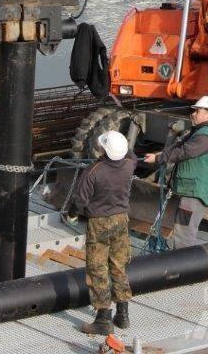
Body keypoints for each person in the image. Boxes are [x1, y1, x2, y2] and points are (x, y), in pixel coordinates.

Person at [73, 130, 136, 335]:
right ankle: (123, 315)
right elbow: (132, 155)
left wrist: (73, 213)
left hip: (98, 222)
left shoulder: (93, 171)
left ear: (104, 149)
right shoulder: (129, 166)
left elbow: (80, 200)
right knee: (119, 265)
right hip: (121, 220)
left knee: (98, 269)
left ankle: (103, 318)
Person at [143, 96, 208, 248]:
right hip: (191, 190)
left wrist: (159, 158)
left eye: (197, 111)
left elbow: (185, 151)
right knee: (182, 231)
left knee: (184, 234)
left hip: (195, 192)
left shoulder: (207, 136)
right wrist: (159, 155)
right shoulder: (200, 132)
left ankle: (182, 267)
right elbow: (180, 146)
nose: (192, 114)